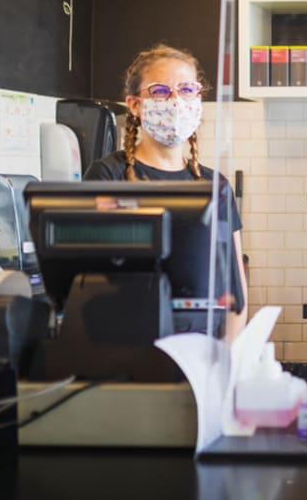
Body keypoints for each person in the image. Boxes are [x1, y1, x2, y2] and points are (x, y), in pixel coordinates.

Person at [84, 44, 249, 342]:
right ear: (135, 104)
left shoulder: (216, 186)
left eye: (187, 89)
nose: (175, 101)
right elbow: (91, 279)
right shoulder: (107, 176)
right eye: (160, 91)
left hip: (201, 346)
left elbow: (235, 291)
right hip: (129, 344)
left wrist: (227, 360)